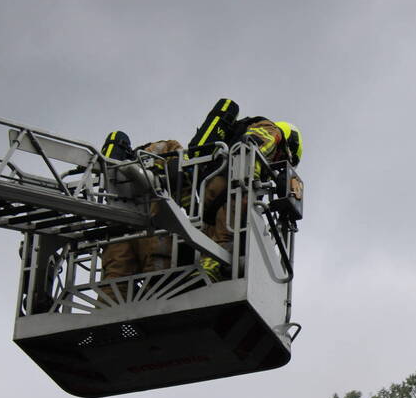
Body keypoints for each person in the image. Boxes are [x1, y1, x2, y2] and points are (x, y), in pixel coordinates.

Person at [196, 113, 302, 282]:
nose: (279, 161)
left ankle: (204, 271)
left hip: (212, 184)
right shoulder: (273, 131)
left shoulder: (254, 127)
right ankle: (210, 270)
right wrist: (251, 183)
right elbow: (254, 147)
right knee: (234, 227)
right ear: (289, 143)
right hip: (232, 183)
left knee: (215, 233)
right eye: (284, 158)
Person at [99, 137, 185, 294]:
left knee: (115, 276)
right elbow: (179, 175)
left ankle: (108, 309)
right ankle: (157, 297)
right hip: (153, 220)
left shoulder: (118, 163)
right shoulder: (167, 147)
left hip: (120, 225)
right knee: (156, 267)